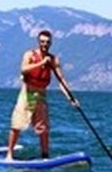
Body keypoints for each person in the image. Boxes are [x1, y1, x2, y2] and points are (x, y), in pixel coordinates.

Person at [6, 30, 78, 160]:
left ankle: (45, 155)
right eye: (42, 42)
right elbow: (23, 68)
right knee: (17, 124)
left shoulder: (53, 60)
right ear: (38, 42)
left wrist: (70, 98)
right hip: (27, 93)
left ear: (51, 43)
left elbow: (61, 80)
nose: (45, 44)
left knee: (43, 127)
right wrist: (42, 63)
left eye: (47, 42)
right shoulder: (30, 54)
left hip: (41, 94)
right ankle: (9, 154)